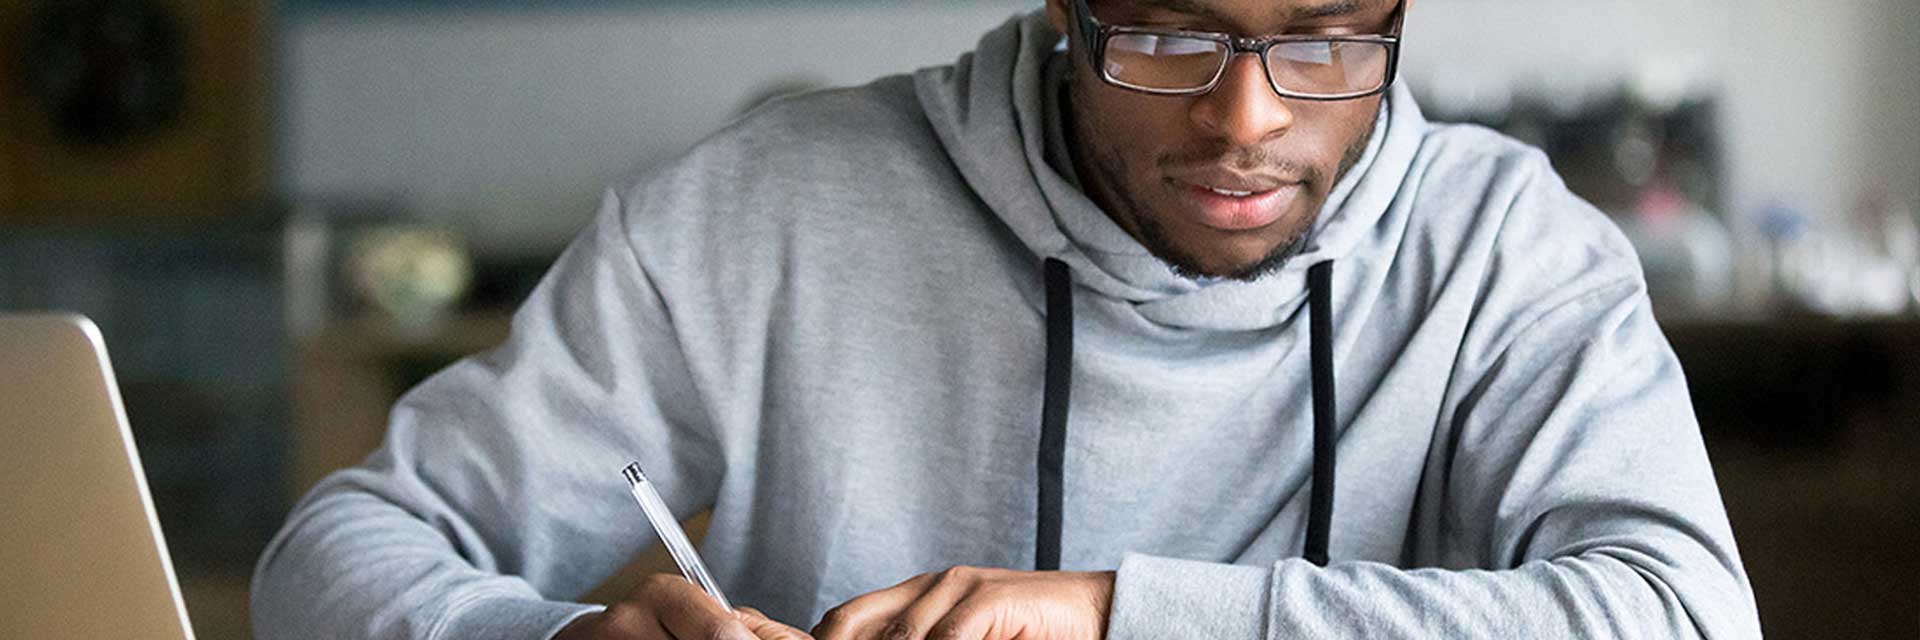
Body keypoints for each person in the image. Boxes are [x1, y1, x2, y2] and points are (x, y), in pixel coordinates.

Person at [252, 0, 1763, 637]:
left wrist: (1121, 615)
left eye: (1319, 39)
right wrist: (550, 639)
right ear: (1065, 10)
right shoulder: (760, 210)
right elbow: (332, 559)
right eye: (1168, 34)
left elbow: (1686, 613)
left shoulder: (1504, 247)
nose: (1246, 118)